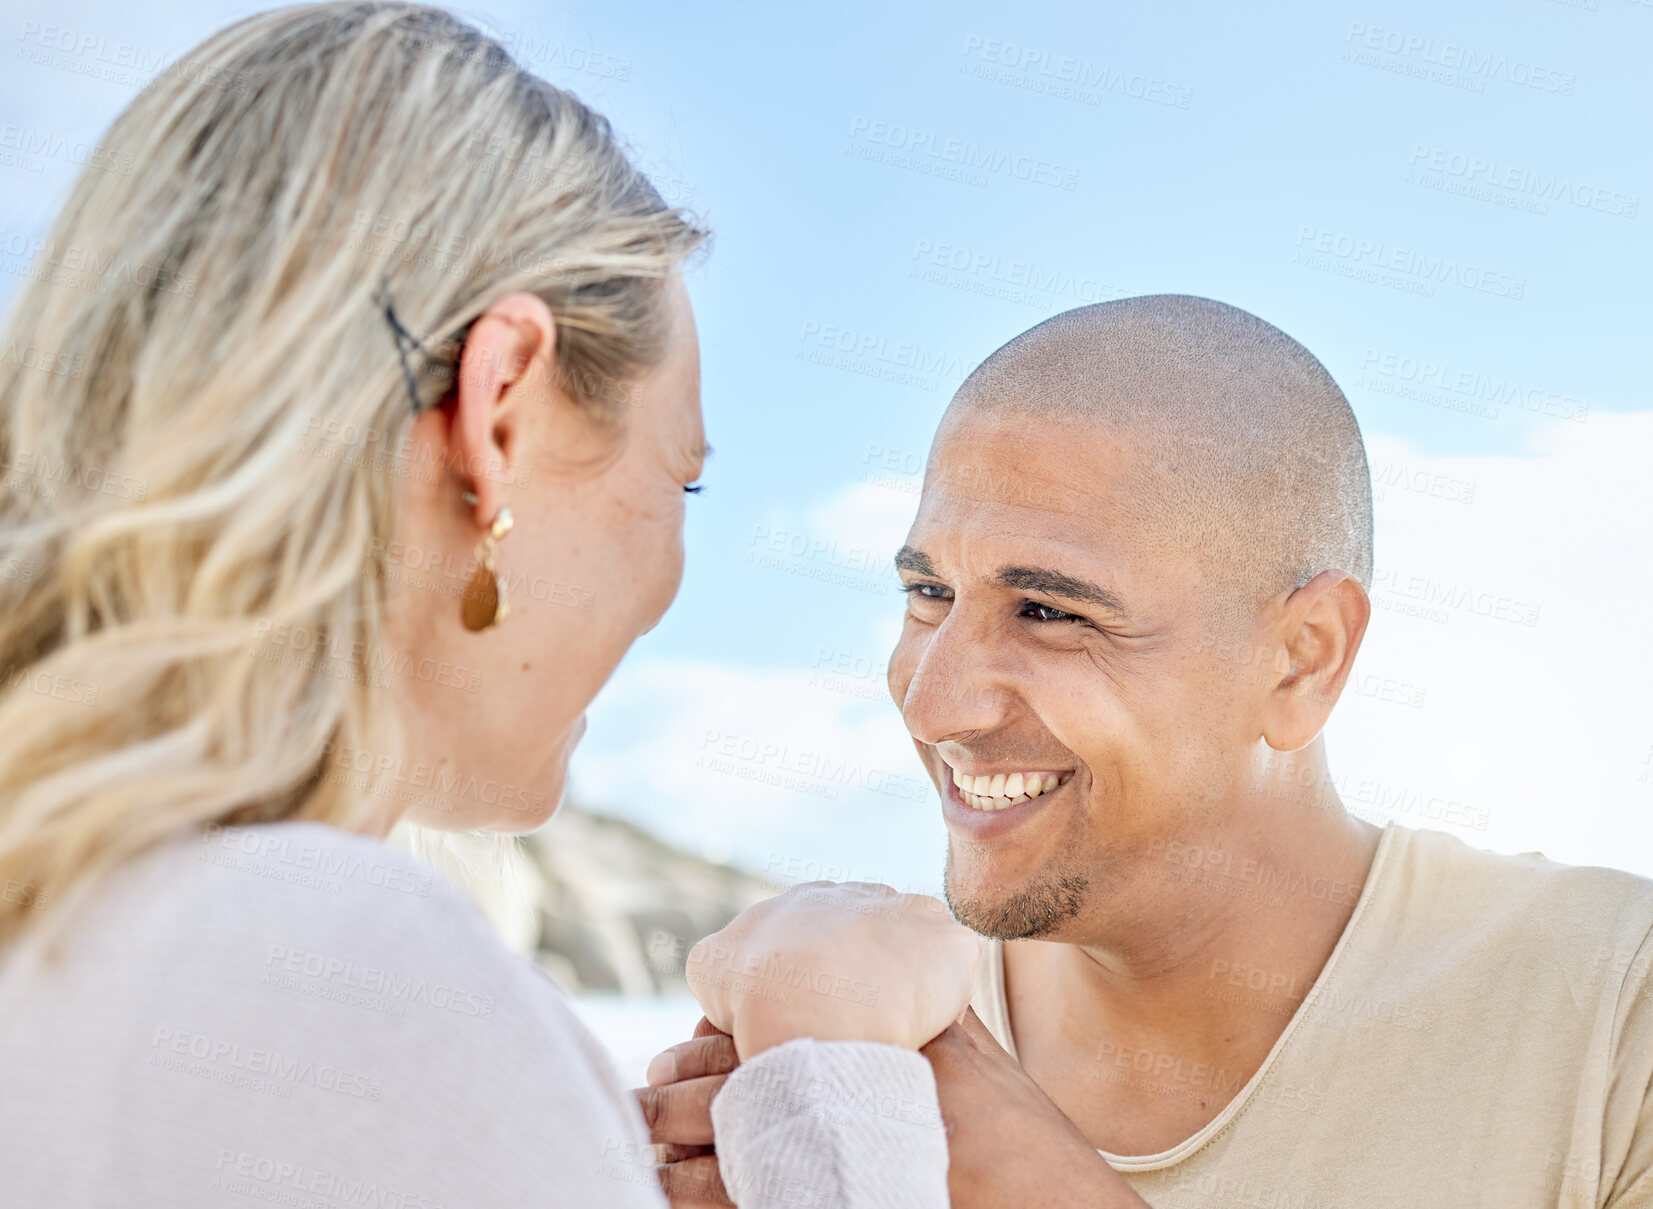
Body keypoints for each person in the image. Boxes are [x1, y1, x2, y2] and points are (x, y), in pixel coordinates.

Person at [0, 5, 981, 1206]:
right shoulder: (351, 988)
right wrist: (837, 1069)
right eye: (682, 478)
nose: (675, 581)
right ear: (499, 410)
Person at [644, 297, 1653, 1208]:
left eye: (1049, 611)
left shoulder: (1616, 1013)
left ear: (1303, 659)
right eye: (929, 596)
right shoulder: (834, 1080)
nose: (936, 703)